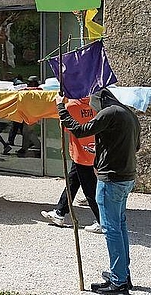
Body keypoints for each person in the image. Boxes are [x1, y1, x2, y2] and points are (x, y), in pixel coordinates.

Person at [55, 88, 141, 295]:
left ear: (100, 100)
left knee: (111, 230)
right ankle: (122, 274)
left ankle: (118, 282)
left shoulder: (109, 112)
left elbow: (80, 130)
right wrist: (105, 151)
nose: (95, 110)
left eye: (95, 107)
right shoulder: (128, 113)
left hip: (111, 180)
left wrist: (61, 107)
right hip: (126, 177)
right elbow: (135, 146)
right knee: (119, 228)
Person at [41, 97, 101, 233]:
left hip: (80, 151)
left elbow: (66, 128)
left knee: (90, 189)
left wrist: (60, 106)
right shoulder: (96, 103)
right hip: (94, 148)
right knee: (73, 181)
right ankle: (60, 212)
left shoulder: (70, 106)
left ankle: (103, 221)